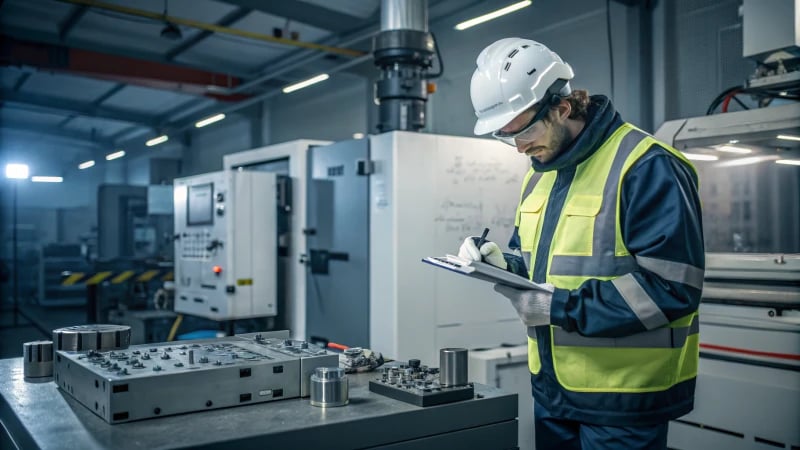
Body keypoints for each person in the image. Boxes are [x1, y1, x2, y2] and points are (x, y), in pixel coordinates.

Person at [458, 38, 705, 450]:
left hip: (623, 401)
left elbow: (672, 289)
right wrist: (502, 263)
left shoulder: (647, 165)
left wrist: (557, 307)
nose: (519, 148)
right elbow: (540, 264)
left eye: (524, 130)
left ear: (563, 107)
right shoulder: (540, 173)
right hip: (554, 392)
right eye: (506, 137)